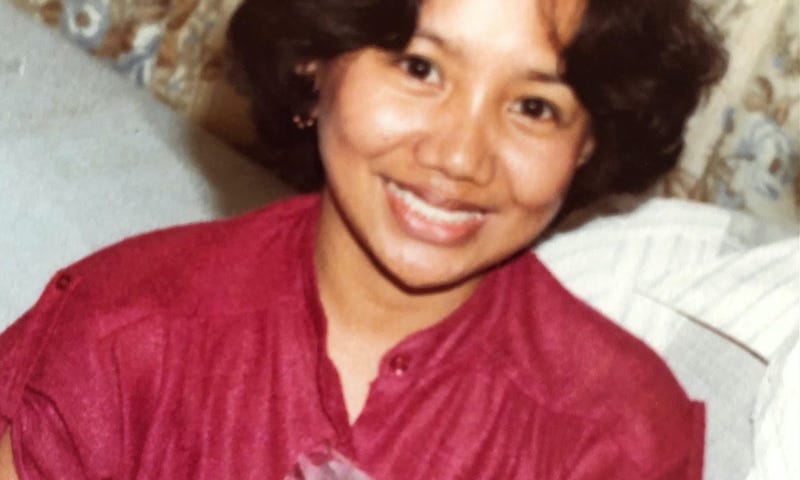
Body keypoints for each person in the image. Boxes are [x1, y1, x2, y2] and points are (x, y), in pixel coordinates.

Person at [0, 0, 725, 478]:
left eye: (535, 106)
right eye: (420, 68)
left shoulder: (614, 436)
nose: (460, 157)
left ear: (591, 143)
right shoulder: (122, 331)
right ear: (315, 61)